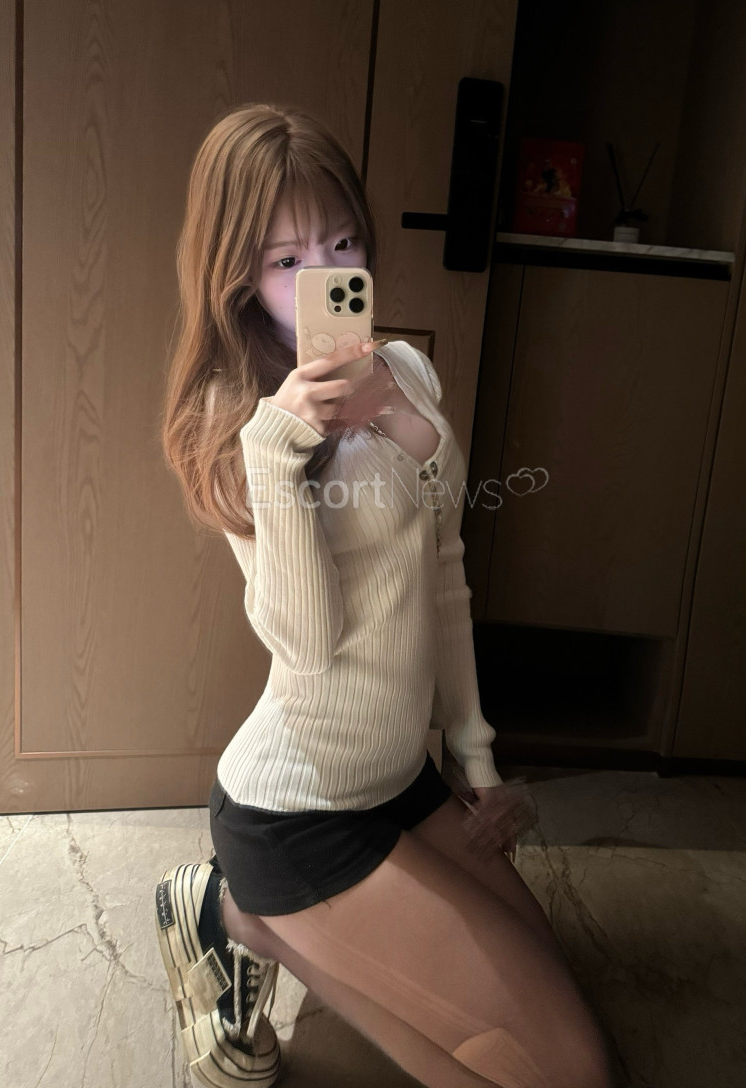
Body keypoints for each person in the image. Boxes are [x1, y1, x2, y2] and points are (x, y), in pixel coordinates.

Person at [154, 103, 618, 1088]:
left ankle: (248, 921)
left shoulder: (406, 370)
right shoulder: (236, 427)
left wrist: (474, 756)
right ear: (237, 278)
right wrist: (279, 451)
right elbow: (308, 644)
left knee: (565, 1043)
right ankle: (241, 910)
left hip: (399, 779)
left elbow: (442, 571)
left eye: (342, 242)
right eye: (287, 260)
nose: (325, 273)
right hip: (295, 810)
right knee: (557, 1073)